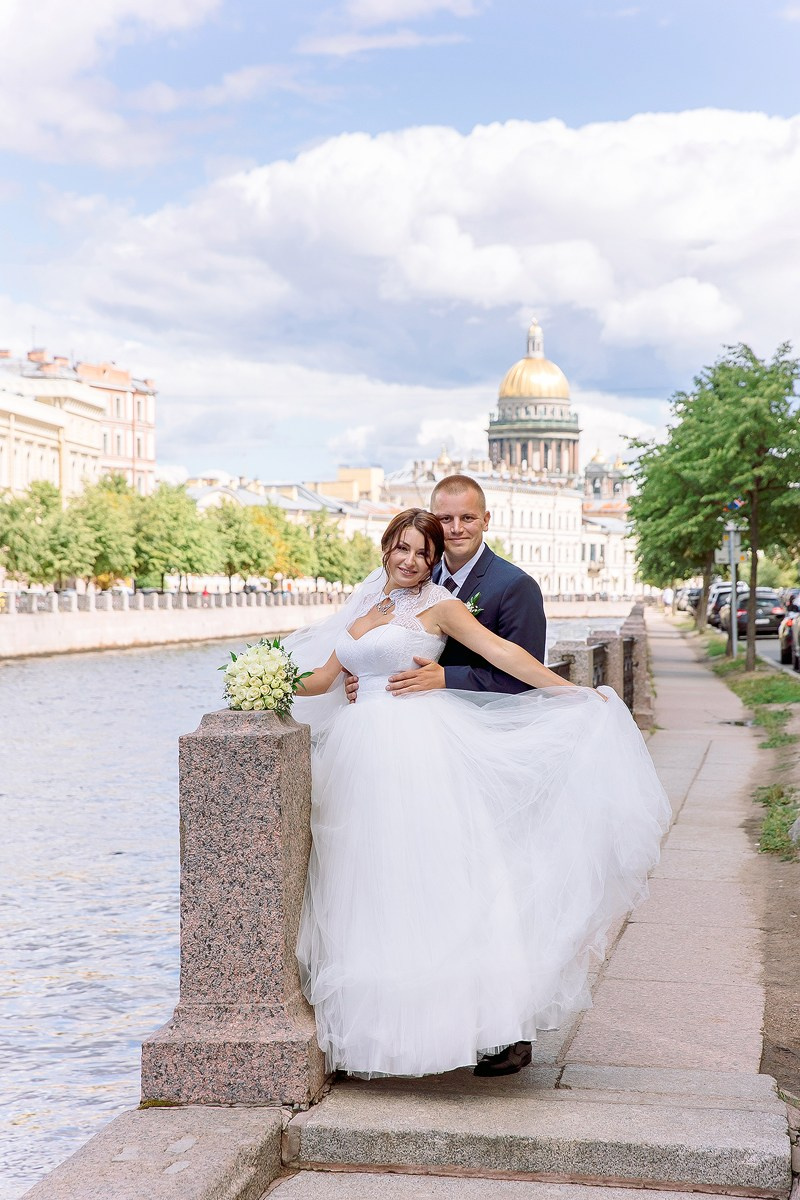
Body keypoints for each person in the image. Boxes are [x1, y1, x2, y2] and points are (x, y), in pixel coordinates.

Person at [287, 509, 670, 1081]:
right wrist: (263, 681)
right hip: (355, 753)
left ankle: (447, 1027)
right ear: (386, 547)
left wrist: (573, 693)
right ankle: (372, 1034)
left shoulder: (441, 606)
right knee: (362, 881)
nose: (410, 560)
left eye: (423, 553)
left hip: (413, 749)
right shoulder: (366, 605)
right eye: (402, 548)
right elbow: (322, 679)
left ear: (434, 560)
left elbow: (504, 654)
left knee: (425, 881)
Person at [346, 474, 548, 1076]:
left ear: (486, 520)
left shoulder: (514, 586)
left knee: (489, 887)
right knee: (419, 889)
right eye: (446, 519)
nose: (455, 528)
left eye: (467, 518)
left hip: (486, 749)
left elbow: (518, 673)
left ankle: (506, 1030)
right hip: (412, 758)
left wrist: (445, 678)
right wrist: (363, 677)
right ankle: (430, 1022)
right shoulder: (410, 578)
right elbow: (375, 647)